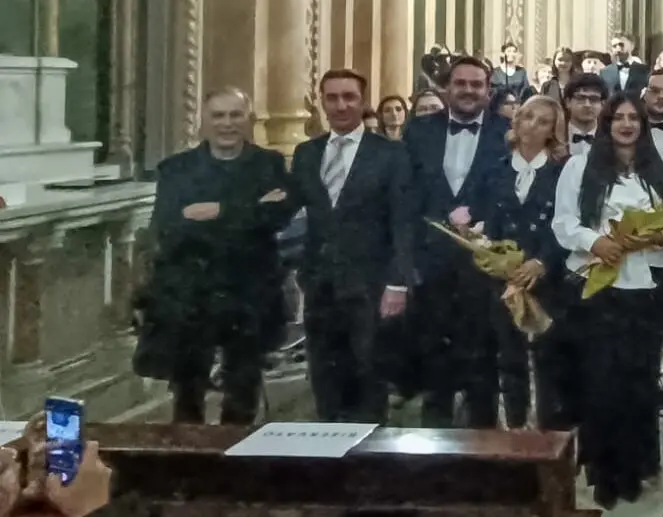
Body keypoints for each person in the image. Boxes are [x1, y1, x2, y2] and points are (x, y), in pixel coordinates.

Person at [552, 93, 663, 508]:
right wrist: (597, 242)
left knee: (640, 379)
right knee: (602, 381)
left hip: (648, 288)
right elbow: (564, 223)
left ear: (643, 126)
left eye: (635, 118)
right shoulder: (580, 167)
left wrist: (657, 234)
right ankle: (606, 471)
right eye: (619, 118)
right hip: (599, 286)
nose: (627, 124)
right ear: (607, 123)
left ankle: (638, 463)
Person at [136, 88, 294, 424]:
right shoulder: (176, 170)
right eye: (218, 116)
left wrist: (219, 211)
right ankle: (189, 467)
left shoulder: (269, 164)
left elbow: (277, 217)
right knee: (187, 394)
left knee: (243, 390)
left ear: (248, 119)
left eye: (235, 115)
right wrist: (249, 211)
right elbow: (169, 227)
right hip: (193, 291)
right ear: (204, 121)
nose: (227, 124)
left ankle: (233, 466)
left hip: (249, 290)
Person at [289, 69, 416, 423]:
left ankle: (369, 461)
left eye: (349, 97)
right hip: (320, 282)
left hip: (371, 283)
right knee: (325, 374)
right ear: (322, 103)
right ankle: (328, 460)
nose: (341, 105)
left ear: (363, 102)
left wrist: (398, 282)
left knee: (368, 374)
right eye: (332, 98)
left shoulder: (390, 154)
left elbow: (402, 222)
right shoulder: (307, 154)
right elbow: (293, 209)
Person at [404, 56, 511, 428]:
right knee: (433, 358)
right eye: (461, 83)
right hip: (431, 263)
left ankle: (482, 446)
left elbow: (510, 192)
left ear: (488, 90)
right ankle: (434, 448)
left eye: (477, 84)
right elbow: (407, 192)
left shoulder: (507, 132)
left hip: (484, 266)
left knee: (483, 360)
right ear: (446, 89)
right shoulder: (418, 131)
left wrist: (482, 220)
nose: (468, 90)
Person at [489, 95, 572, 430]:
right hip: (505, 280)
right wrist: (497, 261)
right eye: (527, 117)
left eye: (542, 121)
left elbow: (567, 222)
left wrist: (541, 261)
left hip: (546, 279)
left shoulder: (561, 172)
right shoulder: (496, 168)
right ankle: (515, 429)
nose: (532, 126)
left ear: (554, 131)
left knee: (549, 359)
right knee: (509, 360)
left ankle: (550, 435)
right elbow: (489, 223)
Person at [562, 73, 607, 157]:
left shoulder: (611, 139)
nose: (587, 105)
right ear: (567, 102)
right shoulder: (555, 136)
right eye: (580, 98)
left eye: (594, 99)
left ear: (603, 105)